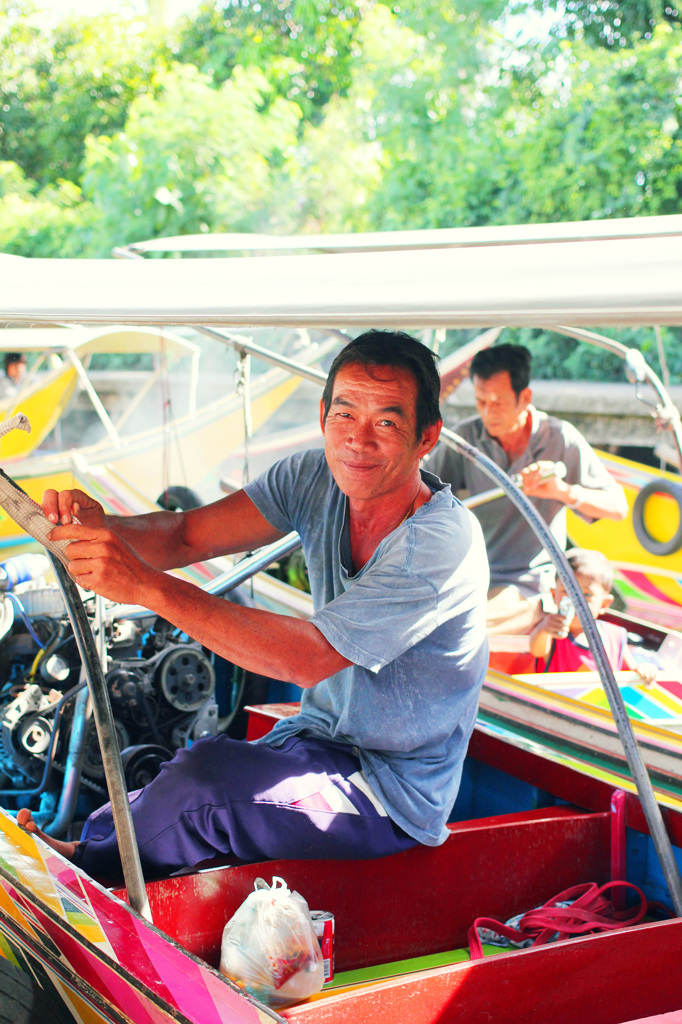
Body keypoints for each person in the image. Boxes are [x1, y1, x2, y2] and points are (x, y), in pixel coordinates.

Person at [19, 329, 489, 879]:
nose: (358, 440)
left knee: (204, 782)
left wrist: (144, 586)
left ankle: (80, 870)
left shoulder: (439, 544)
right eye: (344, 415)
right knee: (194, 763)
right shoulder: (315, 477)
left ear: (426, 435)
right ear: (322, 416)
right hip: (313, 742)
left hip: (389, 790)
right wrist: (99, 528)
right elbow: (186, 536)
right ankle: (88, 851)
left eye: (386, 422)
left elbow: (306, 659)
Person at [428, 344, 628, 635]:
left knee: (460, 631)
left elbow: (618, 507)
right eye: (480, 402)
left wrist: (563, 492)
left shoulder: (560, 438)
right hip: (466, 574)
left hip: (531, 584)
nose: (488, 413)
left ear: (525, 397)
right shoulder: (466, 439)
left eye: (497, 403)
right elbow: (421, 493)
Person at [529, 548, 657, 684]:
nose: (575, 601)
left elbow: (631, 671)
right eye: (566, 591)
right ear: (555, 596)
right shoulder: (551, 633)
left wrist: (643, 669)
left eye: (587, 595)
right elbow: (536, 649)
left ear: (604, 604)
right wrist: (544, 628)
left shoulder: (615, 636)